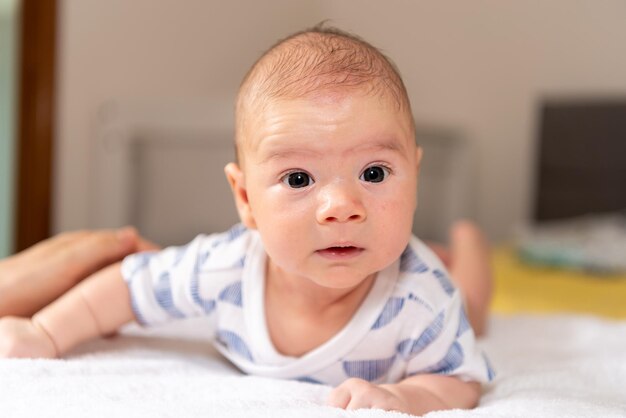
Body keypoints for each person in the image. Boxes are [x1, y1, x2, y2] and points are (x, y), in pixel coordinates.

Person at [0, 26, 494, 415]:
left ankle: (468, 243)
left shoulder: (421, 297)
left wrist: (409, 398)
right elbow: (127, 287)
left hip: (439, 288)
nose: (341, 206)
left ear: (415, 177)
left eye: (373, 172)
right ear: (245, 198)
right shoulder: (226, 267)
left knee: (470, 307)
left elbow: (461, 380)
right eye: (299, 179)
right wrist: (45, 333)